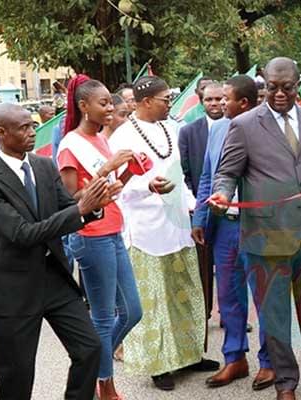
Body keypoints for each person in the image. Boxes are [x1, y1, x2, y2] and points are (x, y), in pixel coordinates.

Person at [211, 57, 301, 400]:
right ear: (263, 85)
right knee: (276, 317)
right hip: (266, 239)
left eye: (287, 87)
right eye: (272, 87)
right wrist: (223, 193)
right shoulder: (244, 124)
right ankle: (285, 382)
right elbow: (227, 172)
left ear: (298, 85)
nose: (279, 94)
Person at [0, 103, 116, 400]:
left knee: (89, 348)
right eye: (23, 127)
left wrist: (93, 208)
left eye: (32, 125)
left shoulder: (43, 165)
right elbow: (23, 234)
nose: (32, 132)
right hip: (12, 290)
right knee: (17, 376)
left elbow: (67, 210)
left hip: (54, 280)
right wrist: (80, 209)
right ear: (1, 133)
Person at [108, 76, 219, 391]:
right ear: (145, 102)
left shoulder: (173, 128)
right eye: (164, 98)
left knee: (183, 292)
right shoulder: (123, 138)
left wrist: (197, 208)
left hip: (178, 225)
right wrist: (148, 186)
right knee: (154, 299)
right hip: (145, 229)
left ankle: (189, 354)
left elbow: (179, 176)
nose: (170, 102)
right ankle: (159, 365)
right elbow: (117, 188)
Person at [56, 76, 143, 400]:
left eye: (111, 103)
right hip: (91, 237)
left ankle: (93, 359)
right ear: (83, 106)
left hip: (113, 232)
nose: (111, 108)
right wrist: (108, 167)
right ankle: (105, 385)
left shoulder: (101, 140)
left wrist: (130, 171)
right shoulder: (70, 145)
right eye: (104, 103)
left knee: (133, 311)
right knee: (104, 317)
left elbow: (108, 187)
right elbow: (71, 202)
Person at [195, 75, 275, 391]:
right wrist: (200, 217)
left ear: (243, 103)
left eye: (225, 97)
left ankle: (269, 363)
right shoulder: (216, 131)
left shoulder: (267, 131)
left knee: (265, 297)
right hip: (224, 227)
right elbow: (206, 177)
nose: (219, 102)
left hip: (258, 225)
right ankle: (235, 358)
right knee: (228, 296)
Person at [179, 81, 226, 322]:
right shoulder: (188, 132)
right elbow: (184, 172)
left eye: (219, 99)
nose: (215, 104)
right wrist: (196, 205)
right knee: (203, 267)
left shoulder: (236, 127)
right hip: (201, 210)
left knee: (230, 269)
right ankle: (204, 313)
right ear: (201, 102)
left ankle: (229, 315)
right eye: (210, 100)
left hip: (232, 211)